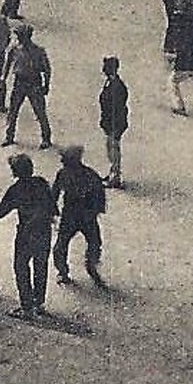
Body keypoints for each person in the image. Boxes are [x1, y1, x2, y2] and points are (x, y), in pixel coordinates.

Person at [0, 153, 57, 320]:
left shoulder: (16, 190)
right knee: (40, 266)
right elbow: (53, 208)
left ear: (15, 172)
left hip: (26, 233)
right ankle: (39, 303)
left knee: (21, 266)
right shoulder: (41, 183)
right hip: (44, 231)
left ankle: (26, 306)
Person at [51, 146, 108, 287]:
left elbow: (54, 194)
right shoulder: (89, 174)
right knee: (93, 242)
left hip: (73, 215)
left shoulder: (64, 174)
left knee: (62, 245)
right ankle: (89, 267)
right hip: (83, 215)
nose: (62, 161)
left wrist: (52, 211)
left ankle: (65, 272)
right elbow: (100, 195)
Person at [1, 22, 52, 148]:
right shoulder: (14, 49)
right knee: (13, 111)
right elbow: (7, 65)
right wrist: (3, 79)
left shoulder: (39, 51)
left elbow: (47, 69)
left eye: (19, 35)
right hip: (19, 82)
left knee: (40, 112)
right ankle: (9, 136)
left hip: (35, 82)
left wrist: (46, 85)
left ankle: (46, 138)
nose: (18, 38)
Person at [98, 57, 129, 189]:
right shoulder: (110, 82)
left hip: (115, 124)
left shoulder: (116, 86)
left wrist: (115, 127)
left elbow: (117, 108)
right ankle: (113, 172)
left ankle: (115, 176)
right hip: (110, 122)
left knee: (114, 149)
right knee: (110, 148)